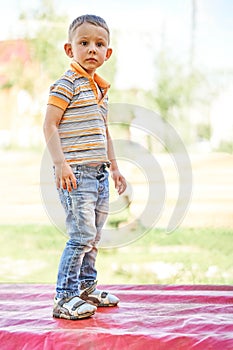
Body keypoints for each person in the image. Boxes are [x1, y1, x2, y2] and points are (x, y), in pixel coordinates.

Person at [43, 14, 127, 320]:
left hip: (99, 174)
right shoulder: (66, 84)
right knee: (80, 235)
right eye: (84, 43)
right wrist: (59, 163)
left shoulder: (100, 91)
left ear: (108, 53)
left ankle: (87, 288)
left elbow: (104, 133)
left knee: (94, 236)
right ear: (69, 49)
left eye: (99, 44)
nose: (92, 49)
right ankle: (64, 296)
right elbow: (49, 124)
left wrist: (115, 168)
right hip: (75, 174)